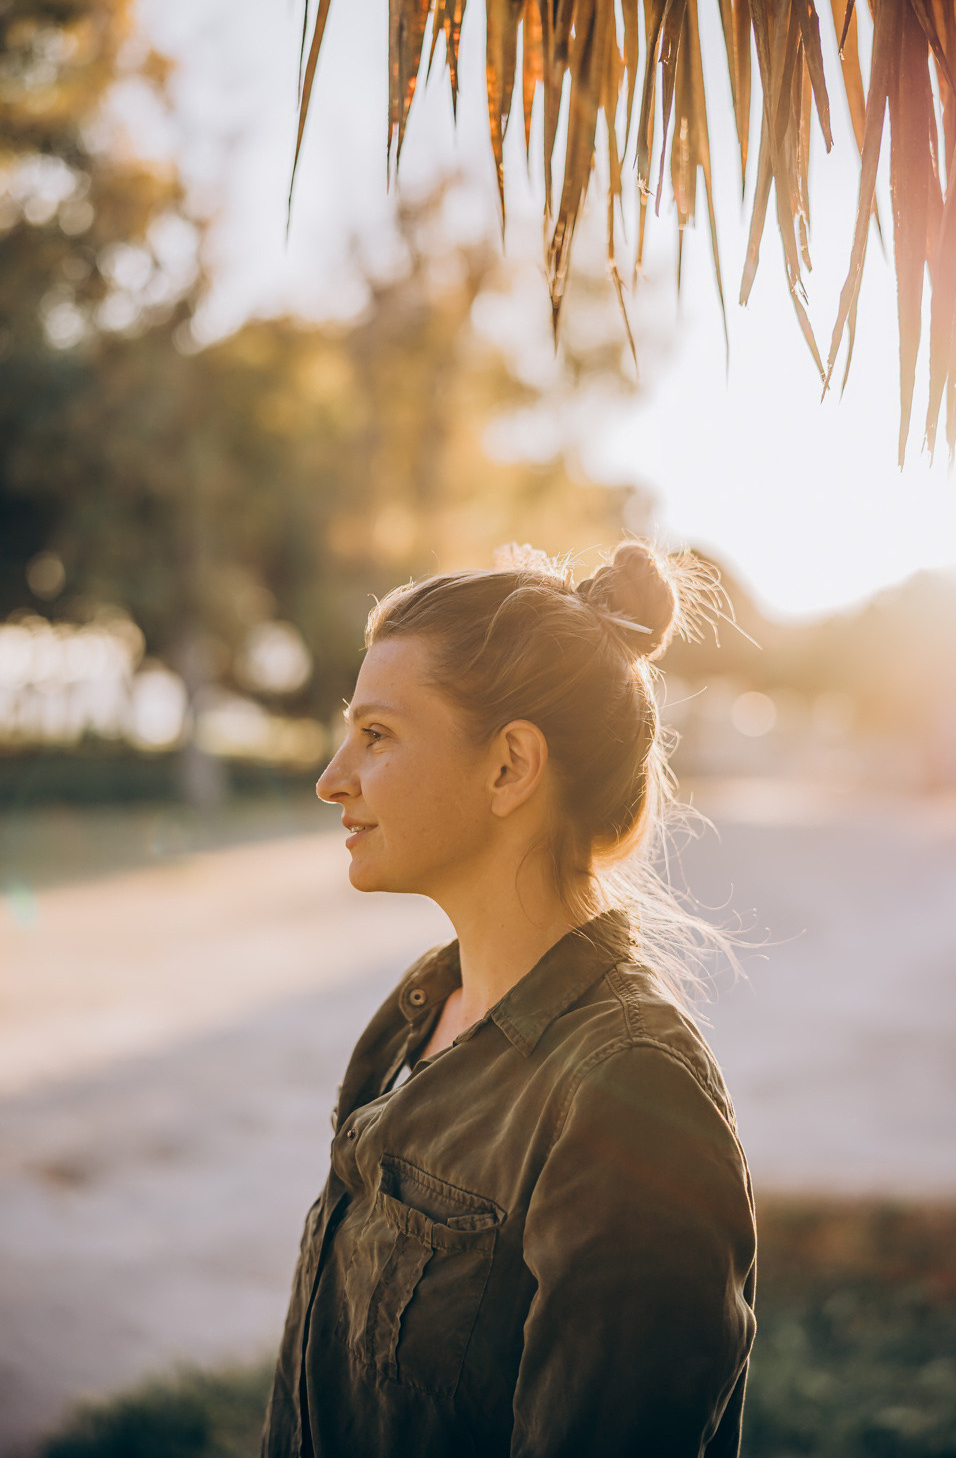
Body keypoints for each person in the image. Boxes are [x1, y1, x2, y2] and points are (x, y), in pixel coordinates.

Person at [261, 541, 756, 1458]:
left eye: (377, 735)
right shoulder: (421, 1009)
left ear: (509, 767)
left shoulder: (630, 1094)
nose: (332, 779)